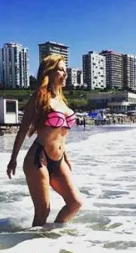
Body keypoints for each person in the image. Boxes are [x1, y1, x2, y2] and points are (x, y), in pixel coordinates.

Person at [6, 54, 83, 227]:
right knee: (43, 211)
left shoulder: (62, 100)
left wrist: (66, 157)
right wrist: (13, 159)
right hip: (38, 158)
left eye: (65, 71)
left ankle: (53, 234)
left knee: (75, 203)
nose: (65, 74)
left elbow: (61, 134)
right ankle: (34, 243)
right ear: (49, 72)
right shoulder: (39, 98)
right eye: (61, 70)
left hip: (59, 160)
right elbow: (23, 130)